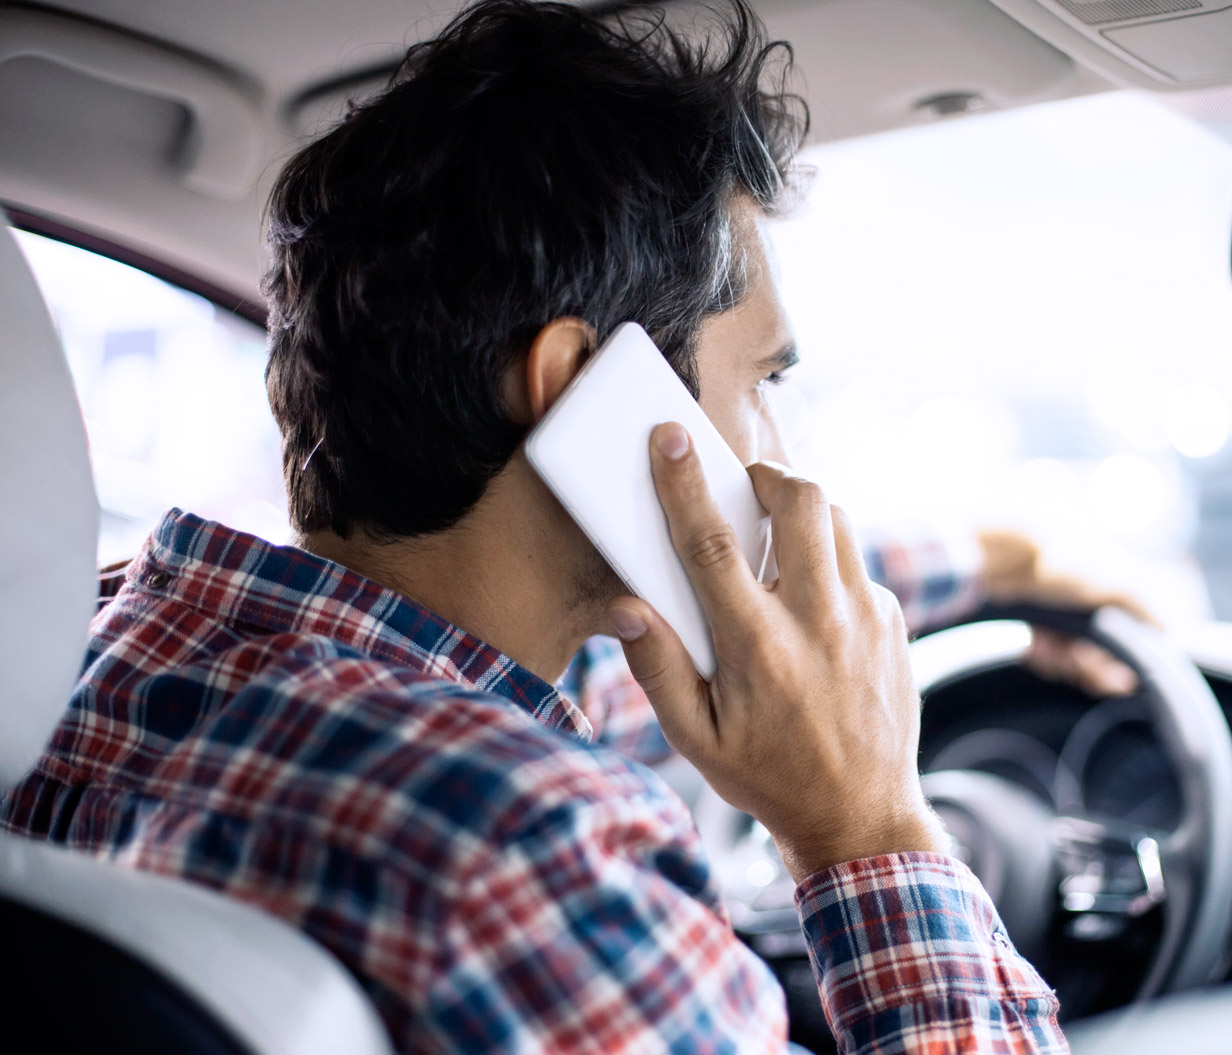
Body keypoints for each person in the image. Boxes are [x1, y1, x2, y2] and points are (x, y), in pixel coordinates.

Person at [0, 1, 1081, 1050]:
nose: (777, 455)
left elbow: (582, 690)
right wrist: (866, 829)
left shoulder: (93, 646)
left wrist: (1003, 561)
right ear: (579, 390)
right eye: (760, 382)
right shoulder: (515, 846)